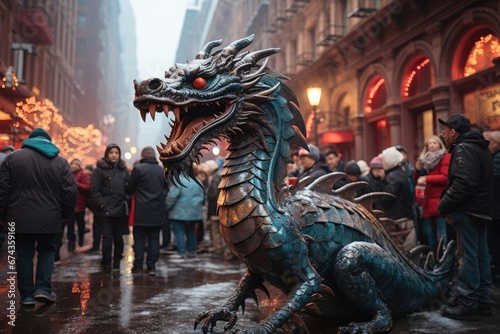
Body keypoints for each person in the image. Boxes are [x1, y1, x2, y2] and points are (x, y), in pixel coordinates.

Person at [0, 128, 76, 305]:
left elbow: (2, 190)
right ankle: (43, 289)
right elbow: (69, 192)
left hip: (18, 217)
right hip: (49, 218)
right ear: (48, 142)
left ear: (30, 140)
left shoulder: (13, 159)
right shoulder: (61, 162)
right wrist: (66, 215)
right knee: (47, 251)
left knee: (24, 255)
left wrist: (2, 215)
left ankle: (26, 295)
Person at [438, 113, 493, 320]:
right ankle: (482, 302)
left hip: (468, 211)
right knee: (480, 255)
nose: (443, 135)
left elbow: (464, 184)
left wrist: (443, 205)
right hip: (480, 211)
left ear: (453, 132)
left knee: (468, 257)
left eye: (445, 131)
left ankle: (469, 303)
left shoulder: (464, 148)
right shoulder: (479, 147)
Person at [125, 147, 167, 276]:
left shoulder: (138, 169)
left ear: (143, 156)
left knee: (139, 239)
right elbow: (166, 189)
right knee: (154, 239)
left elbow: (129, 188)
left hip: (140, 211)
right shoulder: (161, 171)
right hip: (157, 211)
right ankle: (151, 267)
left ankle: (138, 266)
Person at [90, 143, 130, 274]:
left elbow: (129, 188)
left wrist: (126, 201)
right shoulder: (99, 170)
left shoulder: (124, 170)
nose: (114, 155)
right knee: (107, 238)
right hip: (105, 211)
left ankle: (117, 263)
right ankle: (106, 263)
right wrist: (102, 204)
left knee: (119, 238)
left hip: (120, 210)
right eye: (111, 152)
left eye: (116, 153)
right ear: (107, 154)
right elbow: (95, 190)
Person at [413, 135, 451, 254]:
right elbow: (417, 180)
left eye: (434, 143)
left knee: (441, 232)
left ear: (440, 144)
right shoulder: (425, 160)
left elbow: (445, 178)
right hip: (427, 201)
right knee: (430, 233)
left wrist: (427, 178)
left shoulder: (445, 157)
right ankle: (433, 256)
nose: (431, 145)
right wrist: (418, 170)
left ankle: (443, 255)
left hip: (440, 199)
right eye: (429, 143)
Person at [380, 146, 417, 252]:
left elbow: (387, 198)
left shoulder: (392, 177)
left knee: (401, 251)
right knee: (410, 249)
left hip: (397, 218)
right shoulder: (400, 174)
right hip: (405, 216)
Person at [166, 173, 205, 260]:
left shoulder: (179, 181)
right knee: (191, 231)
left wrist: (167, 207)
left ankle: (181, 252)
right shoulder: (198, 181)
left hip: (179, 211)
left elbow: (172, 196)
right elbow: (203, 197)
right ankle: (191, 251)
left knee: (179, 232)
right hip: (194, 212)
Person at [484, 130, 500, 280]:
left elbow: (492, 180)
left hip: (496, 209)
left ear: (495, 143)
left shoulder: (496, 159)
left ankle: (497, 267)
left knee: (494, 239)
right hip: (495, 208)